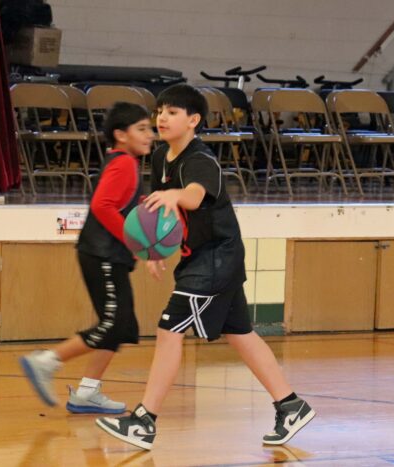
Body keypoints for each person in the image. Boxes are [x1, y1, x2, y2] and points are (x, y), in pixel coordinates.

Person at [96, 84, 314, 450]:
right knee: (240, 332)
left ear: (193, 120)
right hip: (199, 257)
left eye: (173, 112)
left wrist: (176, 194)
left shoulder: (200, 160)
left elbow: (194, 197)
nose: (162, 117)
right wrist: (154, 251)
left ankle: (144, 421)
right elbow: (163, 217)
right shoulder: (160, 156)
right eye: (160, 110)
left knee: (169, 329)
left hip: (217, 258)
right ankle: (290, 405)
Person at [19, 102, 155, 413]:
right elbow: (102, 206)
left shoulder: (126, 164)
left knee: (122, 326)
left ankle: (86, 393)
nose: (150, 135)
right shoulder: (124, 164)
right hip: (101, 254)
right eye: (142, 129)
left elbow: (119, 202)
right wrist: (138, 243)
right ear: (121, 135)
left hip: (109, 256)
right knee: (111, 324)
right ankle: (45, 361)